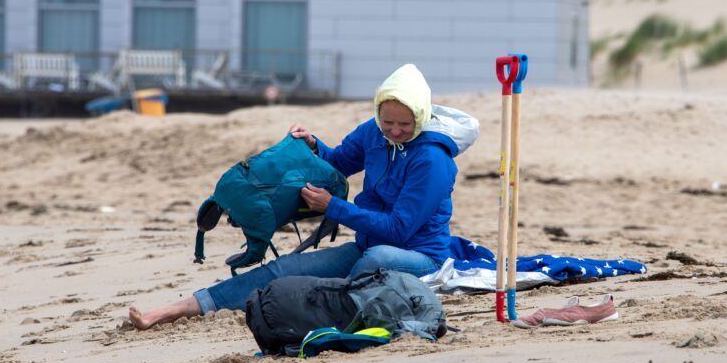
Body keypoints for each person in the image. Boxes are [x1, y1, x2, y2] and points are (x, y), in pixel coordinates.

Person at [129, 63, 478, 329]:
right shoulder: (373, 132)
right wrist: (313, 146)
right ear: (378, 113)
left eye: (405, 124)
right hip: (367, 249)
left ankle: (324, 309)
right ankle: (179, 308)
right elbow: (338, 164)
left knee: (375, 260)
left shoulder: (432, 160)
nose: (395, 131)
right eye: (388, 122)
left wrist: (333, 207)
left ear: (421, 116)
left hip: (421, 258)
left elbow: (399, 229)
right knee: (286, 268)